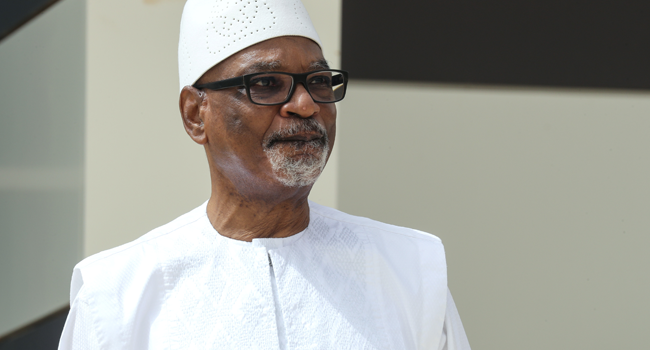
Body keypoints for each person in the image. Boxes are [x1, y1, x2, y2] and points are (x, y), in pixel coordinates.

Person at [58, 0, 471, 349]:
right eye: (268, 83)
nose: (306, 105)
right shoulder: (116, 296)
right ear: (195, 114)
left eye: (319, 81)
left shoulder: (409, 271)